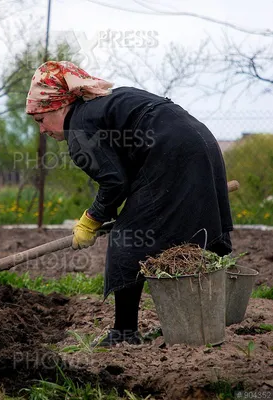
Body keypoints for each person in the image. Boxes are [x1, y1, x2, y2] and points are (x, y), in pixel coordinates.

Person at [26, 61, 233, 346]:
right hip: (201, 142)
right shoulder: (99, 108)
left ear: (60, 106)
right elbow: (128, 176)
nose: (41, 130)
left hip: (172, 150)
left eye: (40, 119)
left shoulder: (79, 127)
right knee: (198, 229)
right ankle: (212, 318)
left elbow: (114, 183)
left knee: (127, 237)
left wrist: (92, 218)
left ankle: (124, 333)